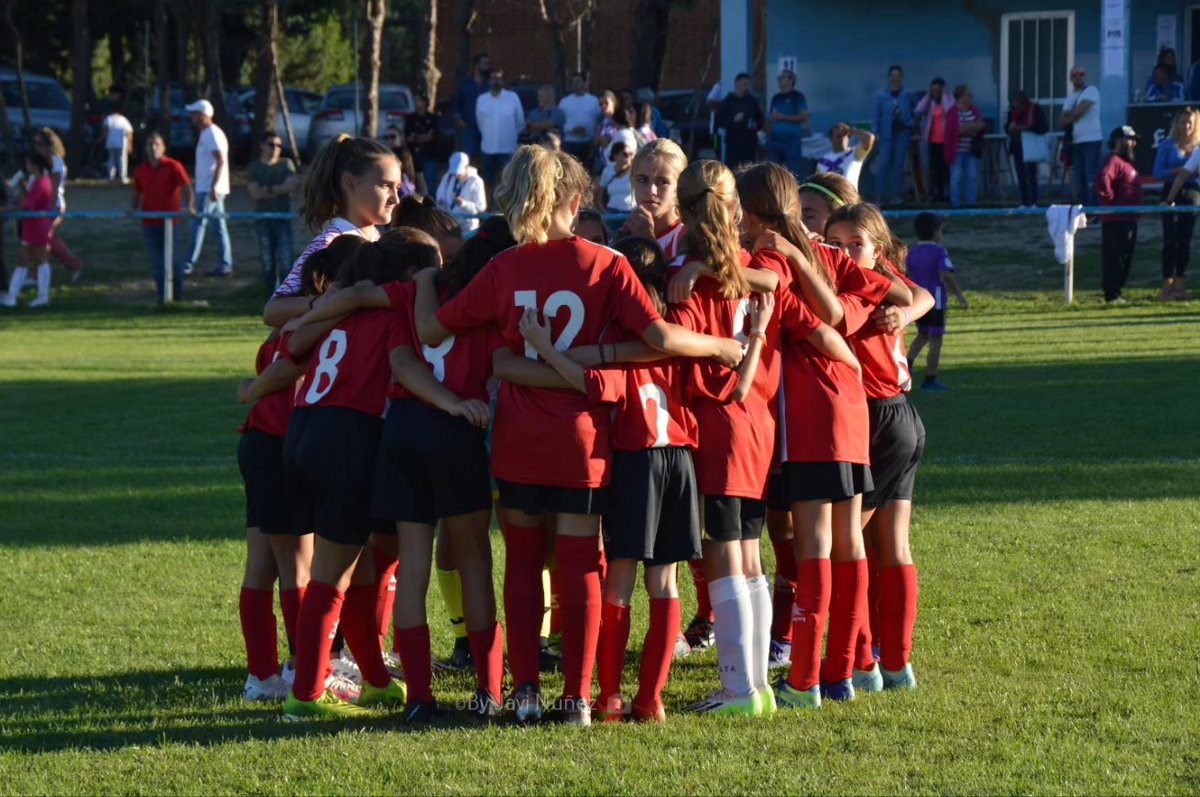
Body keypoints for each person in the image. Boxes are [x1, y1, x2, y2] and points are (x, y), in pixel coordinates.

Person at [413, 145, 746, 726]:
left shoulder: (504, 267)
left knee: (520, 564)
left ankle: (524, 694)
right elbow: (660, 340)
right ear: (576, 199)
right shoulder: (607, 264)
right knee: (578, 567)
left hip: (519, 438)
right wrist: (719, 347)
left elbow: (436, 328)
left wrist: (424, 283)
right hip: (580, 439)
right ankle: (576, 698)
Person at [514, 236, 700, 723]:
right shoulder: (678, 329)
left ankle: (611, 697)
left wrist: (542, 348)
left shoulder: (616, 336)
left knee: (618, 580)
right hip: (679, 460)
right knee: (665, 582)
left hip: (638, 460)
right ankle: (652, 699)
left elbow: (592, 383)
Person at [276, 230, 439, 721]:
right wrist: (448, 401)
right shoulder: (395, 311)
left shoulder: (344, 310)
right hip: (347, 436)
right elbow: (403, 365)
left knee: (359, 567)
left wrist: (327, 308)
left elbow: (294, 342)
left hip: (303, 430)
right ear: (411, 276)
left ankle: (374, 680)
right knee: (332, 573)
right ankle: (306, 695)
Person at [822, 203, 934, 694]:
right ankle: (897, 666)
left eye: (855, 244)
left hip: (874, 420)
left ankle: (861, 664)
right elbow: (920, 295)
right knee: (889, 544)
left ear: (879, 249)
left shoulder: (861, 290)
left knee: (843, 545)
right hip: (902, 419)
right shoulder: (885, 282)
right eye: (837, 244)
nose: (845, 253)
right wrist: (908, 308)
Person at [232, 244, 348, 702]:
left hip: (259, 442)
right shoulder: (313, 324)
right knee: (296, 566)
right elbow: (288, 368)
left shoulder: (291, 320)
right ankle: (308, 675)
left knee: (262, 565)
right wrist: (254, 390)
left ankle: (262, 677)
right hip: (278, 444)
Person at [262, 135, 402, 328]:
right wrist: (323, 302)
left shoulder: (382, 241)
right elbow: (273, 310)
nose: (396, 199)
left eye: (398, 187)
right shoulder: (329, 242)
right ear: (350, 183)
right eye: (385, 186)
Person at [905, 212, 968, 389]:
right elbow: (946, 274)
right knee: (936, 339)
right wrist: (960, 295)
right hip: (936, 301)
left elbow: (907, 275)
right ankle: (930, 379)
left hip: (918, 301)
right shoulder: (939, 252)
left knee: (923, 334)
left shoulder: (912, 253)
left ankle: (906, 365)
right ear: (935, 233)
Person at [130, 132, 195, 303]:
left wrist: (189, 206)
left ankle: (178, 298)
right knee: (157, 262)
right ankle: (162, 298)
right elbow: (137, 192)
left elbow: (187, 186)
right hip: (149, 222)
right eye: (150, 144)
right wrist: (132, 208)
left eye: (157, 144)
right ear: (145, 148)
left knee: (173, 262)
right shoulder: (141, 170)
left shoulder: (173, 166)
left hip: (170, 222)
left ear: (164, 147)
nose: (153, 148)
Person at [182, 99, 232, 278]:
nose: (192, 117)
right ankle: (225, 265)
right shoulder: (209, 133)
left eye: (195, 113)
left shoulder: (211, 133)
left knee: (198, 225)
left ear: (203, 115)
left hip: (209, 190)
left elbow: (220, 161)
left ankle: (187, 265)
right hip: (212, 188)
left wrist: (213, 187)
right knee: (218, 228)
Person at [246, 132, 300, 297]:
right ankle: (271, 297)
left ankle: (287, 297)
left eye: (278, 145)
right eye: (271, 144)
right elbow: (255, 194)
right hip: (263, 220)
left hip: (282, 220)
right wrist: (278, 189)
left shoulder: (286, 164)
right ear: (262, 145)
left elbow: (291, 186)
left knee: (286, 261)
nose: (275, 148)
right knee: (267, 262)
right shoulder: (255, 167)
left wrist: (267, 189)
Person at [1095, 126, 1144, 305]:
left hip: (1129, 219)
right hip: (1117, 220)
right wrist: (1110, 200)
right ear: (1119, 140)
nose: (1133, 143)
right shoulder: (1114, 160)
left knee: (1125, 257)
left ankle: (1117, 291)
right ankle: (1111, 293)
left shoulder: (1126, 163)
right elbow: (1102, 178)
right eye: (1130, 139)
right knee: (1115, 257)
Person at [1, 152, 55, 308]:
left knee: (41, 259)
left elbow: (26, 205)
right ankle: (12, 297)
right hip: (30, 226)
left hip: (37, 226)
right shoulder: (37, 181)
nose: (26, 166)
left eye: (28, 163)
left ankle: (42, 297)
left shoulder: (42, 182)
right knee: (24, 260)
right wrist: (23, 188)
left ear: (36, 166)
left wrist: (5, 209)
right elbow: (27, 202)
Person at [33, 128, 85, 283]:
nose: (37, 147)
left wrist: (49, 210)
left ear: (49, 145)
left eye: (40, 144)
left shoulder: (56, 162)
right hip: (45, 206)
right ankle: (40, 273)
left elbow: (54, 187)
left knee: (46, 240)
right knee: (47, 240)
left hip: (54, 206)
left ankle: (40, 275)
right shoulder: (44, 161)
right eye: (35, 144)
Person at [1160, 108, 1200, 300]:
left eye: (1190, 122)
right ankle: (1167, 286)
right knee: (1170, 240)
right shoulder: (1168, 145)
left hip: (1193, 192)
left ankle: (1181, 285)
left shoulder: (1198, 147)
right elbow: (1164, 172)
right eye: (1183, 122)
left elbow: (1188, 174)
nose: (1186, 127)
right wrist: (1169, 198)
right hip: (1173, 189)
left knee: (1185, 240)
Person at [475, 68, 525, 193]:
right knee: (488, 183)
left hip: (508, 148)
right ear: (489, 81)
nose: (495, 81)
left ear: (503, 81)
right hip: (488, 148)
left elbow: (520, 122)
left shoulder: (512, 97)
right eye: (493, 78)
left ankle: (504, 210)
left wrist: (511, 135)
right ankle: (487, 210)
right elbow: (480, 123)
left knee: (507, 183)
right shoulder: (482, 99)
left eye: (498, 78)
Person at [872, 66, 915, 206]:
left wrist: (909, 123)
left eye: (898, 75)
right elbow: (876, 116)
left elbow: (916, 112)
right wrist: (875, 132)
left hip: (902, 133)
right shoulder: (882, 96)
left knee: (899, 164)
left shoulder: (908, 95)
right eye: (893, 75)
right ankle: (880, 195)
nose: (895, 78)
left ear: (902, 77)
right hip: (886, 134)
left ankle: (895, 195)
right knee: (883, 164)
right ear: (889, 77)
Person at [1060, 66, 1102, 206]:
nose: (1078, 77)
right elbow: (1061, 121)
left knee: (1091, 178)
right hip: (1076, 142)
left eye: (1081, 74)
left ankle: (1095, 212)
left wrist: (1071, 114)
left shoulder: (1091, 91)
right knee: (1079, 180)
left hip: (1091, 140)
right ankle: (1084, 213)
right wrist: (1074, 114)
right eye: (1075, 75)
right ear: (1071, 78)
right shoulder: (1070, 98)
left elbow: (1079, 112)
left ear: (1085, 76)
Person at [1005, 90, 1048, 208]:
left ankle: (1034, 201)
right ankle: (1024, 201)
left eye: (1018, 104)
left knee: (1031, 175)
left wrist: (1023, 128)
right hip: (1018, 146)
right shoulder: (1012, 112)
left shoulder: (1035, 109)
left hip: (1031, 146)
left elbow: (1043, 127)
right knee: (1021, 175)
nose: (1016, 107)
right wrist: (1010, 128)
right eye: (1014, 104)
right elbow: (1007, 128)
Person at [944, 85, 984, 209]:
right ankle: (955, 203)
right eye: (968, 95)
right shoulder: (952, 112)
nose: (970, 98)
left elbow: (981, 125)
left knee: (972, 176)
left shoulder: (974, 111)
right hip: (956, 151)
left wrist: (969, 128)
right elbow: (955, 130)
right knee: (955, 177)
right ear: (960, 97)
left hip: (971, 150)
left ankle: (970, 202)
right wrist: (970, 128)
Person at [764, 69, 809, 178]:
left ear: (791, 80)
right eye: (779, 78)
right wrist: (767, 136)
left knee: (793, 171)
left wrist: (783, 117)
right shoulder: (776, 98)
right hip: (775, 140)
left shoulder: (798, 97)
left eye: (783, 77)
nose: (779, 80)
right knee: (774, 171)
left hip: (791, 141)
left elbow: (804, 117)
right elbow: (771, 117)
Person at [914, 78, 953, 203]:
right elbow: (918, 109)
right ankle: (937, 192)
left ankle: (946, 192)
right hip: (933, 140)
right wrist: (928, 95)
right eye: (933, 89)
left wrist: (943, 96)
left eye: (937, 89)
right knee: (934, 168)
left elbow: (950, 110)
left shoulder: (948, 99)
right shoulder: (930, 102)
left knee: (945, 168)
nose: (935, 92)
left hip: (945, 140)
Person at [716, 73, 762, 168]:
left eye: (748, 84)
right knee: (733, 169)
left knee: (750, 169)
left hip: (750, 142)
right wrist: (733, 120)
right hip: (734, 143)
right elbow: (720, 122)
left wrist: (756, 124)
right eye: (744, 84)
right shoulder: (727, 102)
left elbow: (760, 119)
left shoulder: (752, 101)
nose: (746, 87)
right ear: (737, 83)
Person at [435, 152, 487, 233]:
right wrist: (440, 200)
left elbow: (481, 207)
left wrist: (464, 204)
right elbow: (440, 192)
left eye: (459, 172)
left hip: (468, 225)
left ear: (467, 167)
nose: (456, 175)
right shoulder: (448, 176)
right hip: (449, 222)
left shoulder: (476, 181)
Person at [816, 123, 875, 190]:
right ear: (831, 138)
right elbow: (818, 183)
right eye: (837, 128)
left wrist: (850, 130)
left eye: (844, 134)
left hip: (848, 197)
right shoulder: (823, 160)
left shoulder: (854, 153)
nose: (840, 130)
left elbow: (869, 138)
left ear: (848, 137)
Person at [559, 72, 602, 165]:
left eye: (578, 81)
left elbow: (599, 122)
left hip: (587, 143)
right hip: (569, 142)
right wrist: (571, 130)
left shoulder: (594, 101)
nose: (575, 84)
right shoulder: (565, 101)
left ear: (585, 83)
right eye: (573, 82)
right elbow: (560, 123)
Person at [404, 92, 442, 195]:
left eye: (418, 100)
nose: (415, 103)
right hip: (414, 157)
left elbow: (434, 136)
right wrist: (424, 137)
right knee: (414, 185)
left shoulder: (433, 118)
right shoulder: (410, 119)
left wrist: (418, 137)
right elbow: (408, 137)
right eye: (414, 101)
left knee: (430, 184)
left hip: (430, 155)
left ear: (425, 102)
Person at [454, 54, 490, 159]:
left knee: (486, 160)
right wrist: (459, 120)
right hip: (468, 128)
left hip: (486, 129)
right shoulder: (465, 84)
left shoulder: (489, 85)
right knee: (467, 158)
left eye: (488, 64)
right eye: (484, 63)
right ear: (476, 65)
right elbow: (457, 105)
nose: (487, 66)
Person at [597, 141, 635, 212]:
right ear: (615, 155)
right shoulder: (607, 171)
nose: (628, 157)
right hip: (612, 212)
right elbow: (599, 196)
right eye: (625, 154)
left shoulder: (635, 171)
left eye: (630, 154)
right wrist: (605, 212)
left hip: (631, 212)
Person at [383, 125, 418, 199]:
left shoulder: (409, 154)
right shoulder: (385, 157)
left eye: (393, 136)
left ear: (401, 138)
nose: (389, 140)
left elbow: (419, 177)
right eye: (386, 137)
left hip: (408, 193)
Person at [103, 107, 134, 183]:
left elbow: (105, 131)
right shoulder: (123, 119)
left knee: (111, 160)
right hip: (122, 142)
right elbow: (129, 132)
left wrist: (105, 140)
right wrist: (130, 144)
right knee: (122, 160)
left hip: (111, 142)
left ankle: (110, 177)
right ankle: (122, 177)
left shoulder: (108, 118)